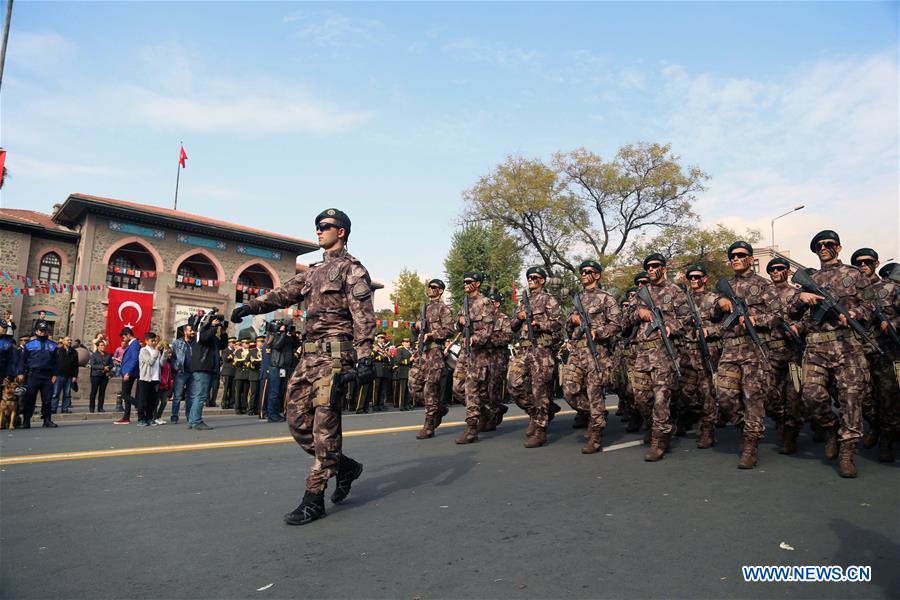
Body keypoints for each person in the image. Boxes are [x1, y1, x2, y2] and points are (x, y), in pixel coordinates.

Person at [231, 207, 375, 526]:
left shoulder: (354, 271)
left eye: (326, 226)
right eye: (317, 226)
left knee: (324, 424)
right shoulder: (312, 272)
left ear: (342, 232)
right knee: (297, 422)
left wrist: (365, 357)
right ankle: (344, 466)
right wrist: (251, 306)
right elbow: (283, 294)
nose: (319, 230)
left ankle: (314, 498)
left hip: (336, 355)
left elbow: (364, 316)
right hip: (308, 357)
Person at [788, 231, 874, 477]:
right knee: (811, 395)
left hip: (846, 345)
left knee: (851, 398)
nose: (823, 247)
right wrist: (801, 297)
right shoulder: (809, 278)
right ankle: (831, 428)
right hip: (816, 347)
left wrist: (856, 314)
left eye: (829, 244)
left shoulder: (854, 274)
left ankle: (847, 451)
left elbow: (870, 305)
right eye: (819, 245)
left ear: (839, 248)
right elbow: (793, 311)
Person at [710, 242, 780, 469]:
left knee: (753, 398)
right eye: (733, 256)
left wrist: (755, 319)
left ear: (751, 258)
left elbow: (777, 315)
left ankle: (750, 444)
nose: (736, 259)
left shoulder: (764, 285)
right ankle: (747, 427)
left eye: (741, 255)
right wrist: (719, 303)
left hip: (753, 349)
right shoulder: (724, 286)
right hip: (730, 349)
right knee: (724, 397)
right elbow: (711, 315)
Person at [622, 254, 688, 461]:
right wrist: (638, 313)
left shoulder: (675, 292)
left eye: (655, 266)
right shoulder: (640, 294)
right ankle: (653, 427)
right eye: (648, 267)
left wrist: (670, 326)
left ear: (664, 268)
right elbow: (623, 321)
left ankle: (659, 440)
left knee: (661, 399)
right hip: (642, 353)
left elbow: (687, 321)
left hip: (664, 353)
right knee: (641, 397)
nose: (650, 269)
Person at [561, 260, 621, 453]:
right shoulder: (577, 298)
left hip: (597, 352)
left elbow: (617, 325)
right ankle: (597, 414)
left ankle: (596, 435)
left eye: (588, 271)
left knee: (595, 393)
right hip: (578, 351)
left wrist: (599, 331)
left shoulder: (606, 298)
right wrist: (572, 320)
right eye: (582, 271)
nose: (584, 274)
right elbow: (568, 328)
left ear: (597, 275)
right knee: (569, 390)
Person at [851, 249, 898, 462]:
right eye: (858, 263)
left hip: (886, 351)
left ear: (876, 263)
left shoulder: (890, 287)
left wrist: (894, 323)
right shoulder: (851, 292)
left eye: (867, 261)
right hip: (858, 351)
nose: (862, 265)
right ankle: (875, 427)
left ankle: (886, 439)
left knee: (887, 397)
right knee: (863, 397)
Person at [507, 267, 562, 448]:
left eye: (535, 277)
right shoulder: (524, 301)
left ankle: (540, 431)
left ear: (542, 280)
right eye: (529, 277)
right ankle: (537, 413)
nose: (530, 279)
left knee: (540, 391)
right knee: (513, 384)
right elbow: (511, 327)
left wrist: (540, 324)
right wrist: (519, 317)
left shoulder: (549, 299)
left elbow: (558, 324)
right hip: (523, 350)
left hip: (541, 350)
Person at [677, 264, 722, 449]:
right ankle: (700, 416)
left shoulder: (714, 299)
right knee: (685, 392)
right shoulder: (682, 300)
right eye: (691, 277)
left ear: (705, 279)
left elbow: (727, 325)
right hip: (686, 351)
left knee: (707, 392)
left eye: (697, 277)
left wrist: (709, 331)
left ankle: (707, 429)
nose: (694, 280)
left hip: (707, 351)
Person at [764, 257, 804, 454]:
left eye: (780, 268)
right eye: (772, 269)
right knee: (768, 395)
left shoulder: (798, 294)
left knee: (793, 397)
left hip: (793, 352)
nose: (776, 271)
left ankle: (790, 435)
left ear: (788, 271)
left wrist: (799, 327)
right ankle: (781, 421)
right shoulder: (763, 295)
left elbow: (808, 318)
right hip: (769, 352)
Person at [454, 272, 497, 445]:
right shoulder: (465, 303)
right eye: (464, 281)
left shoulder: (485, 303)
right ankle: (486, 412)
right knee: (457, 387)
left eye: (469, 281)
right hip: (465, 351)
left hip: (479, 352)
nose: (465, 283)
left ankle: (472, 428)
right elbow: (458, 327)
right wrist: (460, 321)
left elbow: (487, 329)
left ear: (477, 284)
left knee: (471, 389)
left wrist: (476, 338)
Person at [410, 279, 455, 438]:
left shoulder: (444, 309)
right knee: (413, 386)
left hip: (435, 352)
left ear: (441, 291)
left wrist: (432, 335)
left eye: (434, 287)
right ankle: (438, 408)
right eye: (429, 286)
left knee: (430, 388)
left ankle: (429, 425)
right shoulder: (424, 308)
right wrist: (415, 327)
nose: (430, 289)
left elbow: (449, 330)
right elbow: (416, 331)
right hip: (422, 353)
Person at [187, 311, 228, 430]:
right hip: (202, 368)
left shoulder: (211, 336)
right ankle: (196, 421)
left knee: (198, 396)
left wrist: (223, 331)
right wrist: (213, 326)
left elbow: (222, 345)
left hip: (208, 368)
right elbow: (204, 338)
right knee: (200, 396)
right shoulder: (201, 334)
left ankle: (192, 421)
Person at [16, 322, 59, 428]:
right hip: (33, 375)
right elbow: (23, 360)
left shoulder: (53, 345)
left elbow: (56, 362)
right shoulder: (29, 345)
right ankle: (26, 421)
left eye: (44, 331)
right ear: (36, 331)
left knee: (47, 399)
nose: (42, 332)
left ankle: (47, 420)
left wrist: (55, 374)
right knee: (30, 399)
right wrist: (21, 373)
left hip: (47, 376)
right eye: (40, 330)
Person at [483, 292, 513, 432]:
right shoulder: (483, 319)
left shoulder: (503, 318)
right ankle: (494, 409)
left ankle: (494, 414)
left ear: (497, 304)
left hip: (498, 357)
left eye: (490, 302)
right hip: (483, 356)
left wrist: (490, 338)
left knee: (492, 387)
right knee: (481, 386)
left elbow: (507, 337)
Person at [263, 323, 294, 423]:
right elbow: (277, 346)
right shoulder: (273, 337)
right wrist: (283, 334)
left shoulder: (285, 337)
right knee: (274, 393)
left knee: (280, 392)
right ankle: (271, 414)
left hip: (283, 368)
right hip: (275, 367)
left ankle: (276, 413)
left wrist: (292, 334)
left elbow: (296, 344)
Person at [113, 328, 141, 425]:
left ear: (128, 335)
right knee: (127, 394)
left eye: (124, 337)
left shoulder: (134, 344)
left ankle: (140, 405)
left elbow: (135, 359)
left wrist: (128, 372)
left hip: (129, 373)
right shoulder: (132, 344)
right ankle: (126, 417)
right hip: (127, 372)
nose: (123, 339)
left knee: (125, 394)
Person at [170, 325, 193, 424]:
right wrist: (176, 367)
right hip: (181, 372)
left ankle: (189, 416)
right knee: (178, 396)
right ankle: (174, 416)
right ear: (185, 332)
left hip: (193, 373)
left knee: (190, 396)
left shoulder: (195, 343)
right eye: (190, 330)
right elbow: (173, 357)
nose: (193, 332)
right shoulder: (177, 343)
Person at [136, 332, 161, 426]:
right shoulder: (143, 350)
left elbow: (160, 364)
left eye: (155, 340)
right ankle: (141, 419)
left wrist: (165, 355)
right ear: (146, 341)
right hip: (146, 379)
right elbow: (150, 361)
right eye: (152, 340)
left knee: (152, 400)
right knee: (143, 400)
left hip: (155, 378)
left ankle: (149, 418)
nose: (155, 342)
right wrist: (156, 351)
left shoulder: (156, 351)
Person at [51, 336, 78, 414]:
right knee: (55, 393)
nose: (69, 341)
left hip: (69, 376)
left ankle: (65, 408)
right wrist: (53, 375)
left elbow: (75, 365)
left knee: (67, 394)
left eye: (70, 340)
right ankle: (53, 408)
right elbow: (53, 363)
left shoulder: (74, 352)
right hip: (58, 375)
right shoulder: (58, 350)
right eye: (68, 340)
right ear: (63, 342)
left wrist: (74, 376)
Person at [88, 340, 113, 412]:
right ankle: (92, 407)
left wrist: (108, 367)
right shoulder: (94, 355)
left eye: (103, 345)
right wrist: (102, 367)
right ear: (98, 347)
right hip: (95, 375)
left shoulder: (108, 355)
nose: (103, 346)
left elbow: (111, 364)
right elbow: (93, 365)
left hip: (104, 376)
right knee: (94, 392)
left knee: (102, 392)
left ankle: (100, 407)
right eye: (101, 345)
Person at [154, 341, 173, 425]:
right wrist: (163, 382)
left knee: (164, 402)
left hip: (165, 386)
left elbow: (169, 375)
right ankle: (154, 417)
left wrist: (169, 384)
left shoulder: (169, 363)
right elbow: (159, 372)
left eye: (170, 353)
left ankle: (158, 416)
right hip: (160, 384)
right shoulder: (161, 361)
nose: (169, 354)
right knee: (156, 402)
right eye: (168, 352)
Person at [392, 338, 413, 410]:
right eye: (406, 342)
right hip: (403, 371)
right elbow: (398, 361)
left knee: (408, 390)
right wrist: (408, 360)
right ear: (403, 343)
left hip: (409, 372)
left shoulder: (410, 351)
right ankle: (401, 405)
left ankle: (406, 404)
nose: (408, 343)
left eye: (409, 342)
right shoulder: (400, 350)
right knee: (402, 390)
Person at [233, 337, 251, 414]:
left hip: (247, 374)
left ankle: (244, 407)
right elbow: (237, 362)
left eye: (248, 343)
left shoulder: (251, 351)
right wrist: (245, 362)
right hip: (239, 374)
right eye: (245, 343)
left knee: (245, 392)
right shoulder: (238, 351)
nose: (247, 344)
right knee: (238, 392)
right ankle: (237, 408)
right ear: (242, 344)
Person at [248, 336, 264, 414]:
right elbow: (246, 361)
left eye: (263, 341)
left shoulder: (265, 351)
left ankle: (258, 409)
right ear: (257, 342)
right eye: (260, 341)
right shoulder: (252, 351)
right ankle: (251, 409)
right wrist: (252, 365)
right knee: (253, 393)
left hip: (262, 374)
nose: (262, 343)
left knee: (260, 393)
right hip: (254, 374)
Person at [220, 337, 237, 410]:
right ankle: (224, 402)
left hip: (234, 372)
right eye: (232, 343)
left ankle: (231, 402)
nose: (234, 344)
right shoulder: (225, 350)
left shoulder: (236, 351)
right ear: (229, 343)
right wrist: (233, 354)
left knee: (232, 388)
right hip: (227, 372)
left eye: (234, 343)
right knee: (226, 388)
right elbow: (225, 359)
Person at [0, 309, 17, 381]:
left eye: (8, 314)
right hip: (3, 336)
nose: (7, 315)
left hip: (9, 337)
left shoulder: (11, 321)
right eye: (6, 314)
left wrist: (11, 322)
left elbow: (14, 328)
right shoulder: (2, 321)